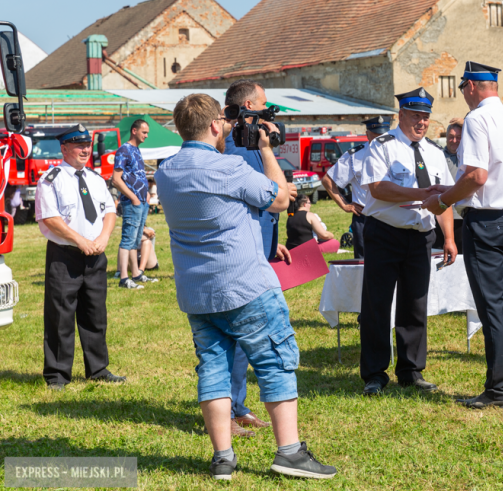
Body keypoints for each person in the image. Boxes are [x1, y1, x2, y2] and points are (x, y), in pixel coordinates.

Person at [155, 94, 336, 480]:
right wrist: (268, 150)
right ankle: (289, 452)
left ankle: (223, 457)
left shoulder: (166, 171)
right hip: (244, 284)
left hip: (197, 291)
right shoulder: (230, 167)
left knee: (213, 370)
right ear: (215, 125)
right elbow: (281, 199)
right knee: (275, 360)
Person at [423, 62, 503, 409]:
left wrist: (443, 200)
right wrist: (454, 189)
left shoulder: (477, 119)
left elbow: (478, 175)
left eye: (462, 87)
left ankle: (499, 390)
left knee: (492, 306)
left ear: (470, 86)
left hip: (487, 220)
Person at [359, 87, 457, 396]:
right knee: (377, 305)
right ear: (401, 115)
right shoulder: (383, 146)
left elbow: (445, 199)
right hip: (385, 233)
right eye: (416, 116)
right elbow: (377, 188)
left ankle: (411, 370)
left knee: (415, 304)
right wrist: (420, 194)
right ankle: (374, 373)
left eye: (426, 117)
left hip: (421, 236)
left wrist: (450, 238)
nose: (422, 122)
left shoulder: (434, 152)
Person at [223, 79, 298, 438]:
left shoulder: (252, 142)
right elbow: (249, 197)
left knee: (246, 339)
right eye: (265, 104)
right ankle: (229, 412)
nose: (270, 111)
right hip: (239, 255)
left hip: (259, 247)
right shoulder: (234, 148)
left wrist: (273, 244)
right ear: (249, 105)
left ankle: (237, 406)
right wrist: (280, 193)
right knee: (237, 338)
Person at [35, 124, 125, 390]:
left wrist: (103, 238)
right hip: (65, 255)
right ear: (64, 148)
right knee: (60, 316)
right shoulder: (51, 179)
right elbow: (49, 218)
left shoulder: (96, 179)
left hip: (96, 254)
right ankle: (57, 375)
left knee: (95, 314)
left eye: (87, 145)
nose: (85, 149)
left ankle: (97, 369)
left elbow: (110, 211)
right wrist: (80, 241)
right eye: (78, 145)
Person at [321, 115, 391, 259]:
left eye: (382, 136)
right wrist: (344, 205)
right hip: (364, 218)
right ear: (367, 135)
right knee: (363, 265)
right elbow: (328, 180)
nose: (379, 140)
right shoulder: (355, 156)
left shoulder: (397, 153)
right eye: (375, 136)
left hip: (391, 217)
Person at [112, 119, 157, 289]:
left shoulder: (136, 150)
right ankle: (124, 278)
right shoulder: (124, 150)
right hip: (132, 203)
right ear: (134, 131)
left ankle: (136, 274)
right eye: (144, 132)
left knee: (136, 240)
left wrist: (144, 195)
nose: (146, 136)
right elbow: (116, 179)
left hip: (141, 202)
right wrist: (134, 197)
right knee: (128, 240)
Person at [433, 120, 464, 253]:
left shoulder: (469, 158)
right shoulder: (437, 157)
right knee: (440, 257)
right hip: (440, 216)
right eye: (451, 137)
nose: (454, 140)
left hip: (462, 217)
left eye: (458, 137)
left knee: (463, 260)